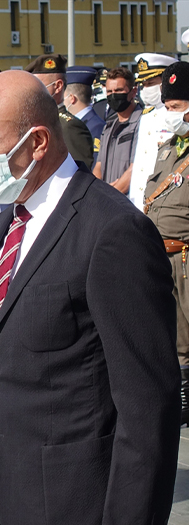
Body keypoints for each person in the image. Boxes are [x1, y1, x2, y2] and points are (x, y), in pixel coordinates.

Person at [0, 69, 179, 525]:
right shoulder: (9, 219)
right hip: (11, 509)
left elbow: (148, 395)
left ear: (36, 142)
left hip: (81, 522)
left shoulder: (111, 230)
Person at [144, 61, 189, 427]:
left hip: (187, 258)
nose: (168, 114)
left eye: (174, 108)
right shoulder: (169, 147)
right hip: (163, 256)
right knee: (176, 336)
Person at [25, 54, 95, 169]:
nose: (34, 91)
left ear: (57, 86)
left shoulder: (69, 126)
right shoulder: (36, 120)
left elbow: (80, 174)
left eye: (39, 86)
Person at [129, 53, 177, 208]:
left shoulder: (176, 115)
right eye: (143, 84)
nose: (145, 89)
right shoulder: (146, 115)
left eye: (150, 83)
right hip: (139, 199)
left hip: (164, 199)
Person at [93, 67, 143, 194]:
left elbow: (135, 168)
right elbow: (99, 164)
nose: (113, 95)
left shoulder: (142, 123)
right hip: (106, 199)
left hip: (126, 201)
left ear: (133, 91)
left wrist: (111, 196)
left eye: (119, 90)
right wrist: (97, 192)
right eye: (109, 91)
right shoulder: (109, 125)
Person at [65, 66, 104, 163]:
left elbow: (95, 165)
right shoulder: (72, 123)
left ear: (71, 98)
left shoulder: (96, 127)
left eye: (63, 96)